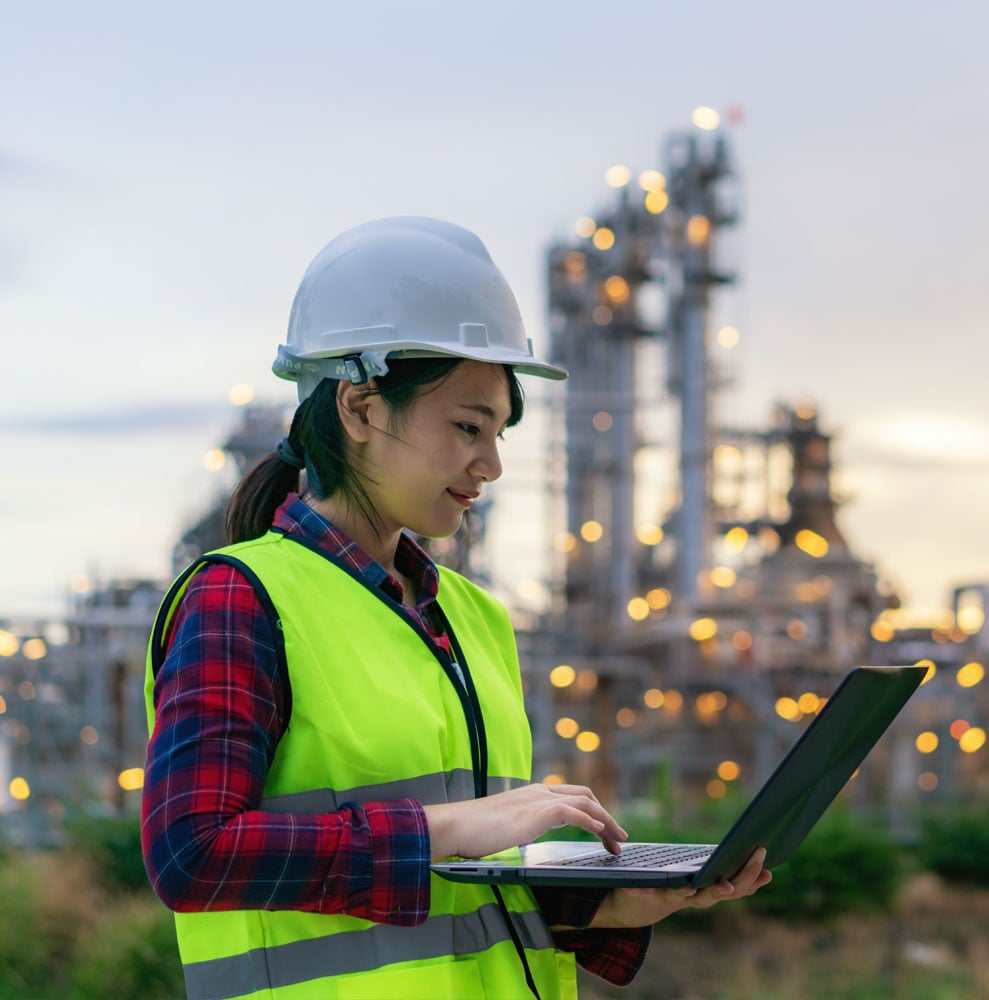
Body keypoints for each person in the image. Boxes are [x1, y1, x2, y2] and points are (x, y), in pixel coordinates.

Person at [142, 216, 771, 1000]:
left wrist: (611, 906)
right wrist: (452, 827)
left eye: (500, 431)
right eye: (469, 427)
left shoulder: (475, 618)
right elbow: (192, 855)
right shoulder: (243, 597)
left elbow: (467, 896)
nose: (493, 464)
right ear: (361, 407)